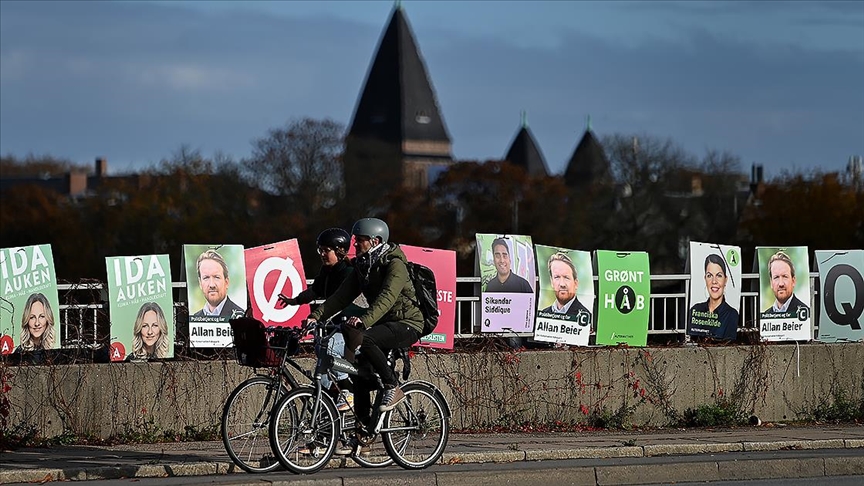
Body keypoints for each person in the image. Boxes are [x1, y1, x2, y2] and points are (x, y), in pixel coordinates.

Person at [306, 217, 423, 442]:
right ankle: (364, 434)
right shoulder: (363, 265)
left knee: (364, 338)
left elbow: (387, 298)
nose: (355, 244)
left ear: (375, 241)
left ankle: (392, 386)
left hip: (407, 323)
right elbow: (341, 297)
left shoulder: (394, 263)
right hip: (384, 324)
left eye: (360, 240)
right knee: (358, 376)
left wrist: (364, 321)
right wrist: (315, 315)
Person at [277, 227, 355, 411]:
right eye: (320, 250)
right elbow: (314, 291)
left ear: (340, 250)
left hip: (350, 329)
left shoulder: (348, 272)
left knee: (327, 348)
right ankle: (326, 411)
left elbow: (339, 303)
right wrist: (294, 301)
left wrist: (315, 317)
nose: (322, 254)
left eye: (326, 250)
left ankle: (348, 390)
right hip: (334, 327)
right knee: (322, 361)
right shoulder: (327, 270)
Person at [689, 254, 739, 341]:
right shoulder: (695, 310)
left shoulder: (732, 314)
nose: (714, 281)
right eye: (709, 276)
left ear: (725, 279)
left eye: (719, 275)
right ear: (705, 279)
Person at [191, 249, 244, 318]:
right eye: (206, 278)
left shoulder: (241, 316)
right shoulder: (195, 319)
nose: (212, 285)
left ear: (226, 282)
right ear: (200, 283)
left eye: (216, 277)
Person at [540, 252, 591, 319]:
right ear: (552, 282)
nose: (562, 284)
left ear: (575, 283)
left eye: (566, 277)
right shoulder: (543, 315)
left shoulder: (586, 317)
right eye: (557, 277)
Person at [763, 250, 810, 317]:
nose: (781, 284)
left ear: (793, 281)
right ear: (771, 283)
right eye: (776, 277)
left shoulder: (806, 313)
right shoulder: (765, 315)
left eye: (785, 276)